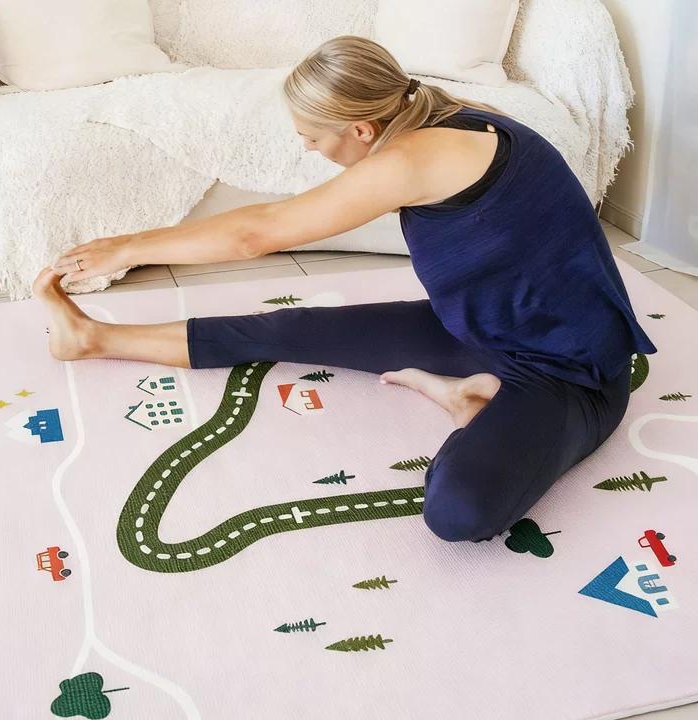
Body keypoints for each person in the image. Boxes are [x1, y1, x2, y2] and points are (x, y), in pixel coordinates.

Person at [33, 36, 657, 543]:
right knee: (290, 328)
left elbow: (256, 234)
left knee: (457, 513)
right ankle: (90, 337)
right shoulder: (445, 116)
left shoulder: (410, 159)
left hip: (571, 373)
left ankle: (467, 403)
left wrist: (128, 247)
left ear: (361, 128)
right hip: (476, 328)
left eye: (311, 137)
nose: (307, 148)